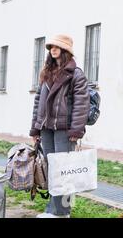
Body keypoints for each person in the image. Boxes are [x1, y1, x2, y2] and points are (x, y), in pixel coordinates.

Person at [30, 34, 90, 218]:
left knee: (65, 171)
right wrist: (35, 128)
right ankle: (53, 210)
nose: (52, 49)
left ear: (65, 50)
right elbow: (38, 101)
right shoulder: (46, 72)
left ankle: (63, 212)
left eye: (57, 47)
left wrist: (76, 130)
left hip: (65, 129)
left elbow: (82, 103)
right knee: (51, 169)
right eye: (51, 47)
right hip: (47, 127)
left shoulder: (76, 74)